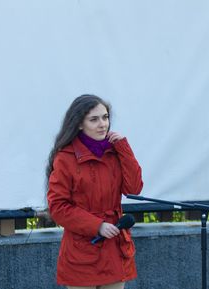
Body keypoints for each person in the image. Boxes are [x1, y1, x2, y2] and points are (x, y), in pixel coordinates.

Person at [46, 94, 143, 289]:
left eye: (105, 117)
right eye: (94, 119)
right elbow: (57, 206)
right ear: (79, 124)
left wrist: (124, 149)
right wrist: (97, 225)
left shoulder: (115, 151)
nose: (103, 124)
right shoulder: (65, 158)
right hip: (83, 249)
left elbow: (134, 188)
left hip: (114, 249)